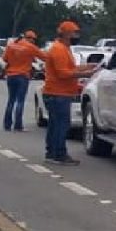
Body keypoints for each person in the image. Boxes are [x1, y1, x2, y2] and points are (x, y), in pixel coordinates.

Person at [43, 21, 96, 166]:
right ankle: (58, 154)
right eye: (74, 33)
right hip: (57, 93)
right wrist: (87, 73)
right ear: (66, 34)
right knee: (60, 125)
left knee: (56, 125)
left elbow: (70, 68)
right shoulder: (59, 49)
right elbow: (63, 73)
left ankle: (52, 153)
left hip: (58, 93)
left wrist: (87, 67)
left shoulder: (63, 48)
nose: (76, 36)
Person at [2, 30, 47, 132]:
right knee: (20, 101)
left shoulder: (12, 45)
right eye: (33, 39)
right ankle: (18, 125)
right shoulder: (30, 47)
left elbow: (4, 59)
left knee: (11, 100)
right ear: (30, 38)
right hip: (22, 76)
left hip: (11, 75)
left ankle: (7, 125)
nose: (34, 41)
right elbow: (44, 57)